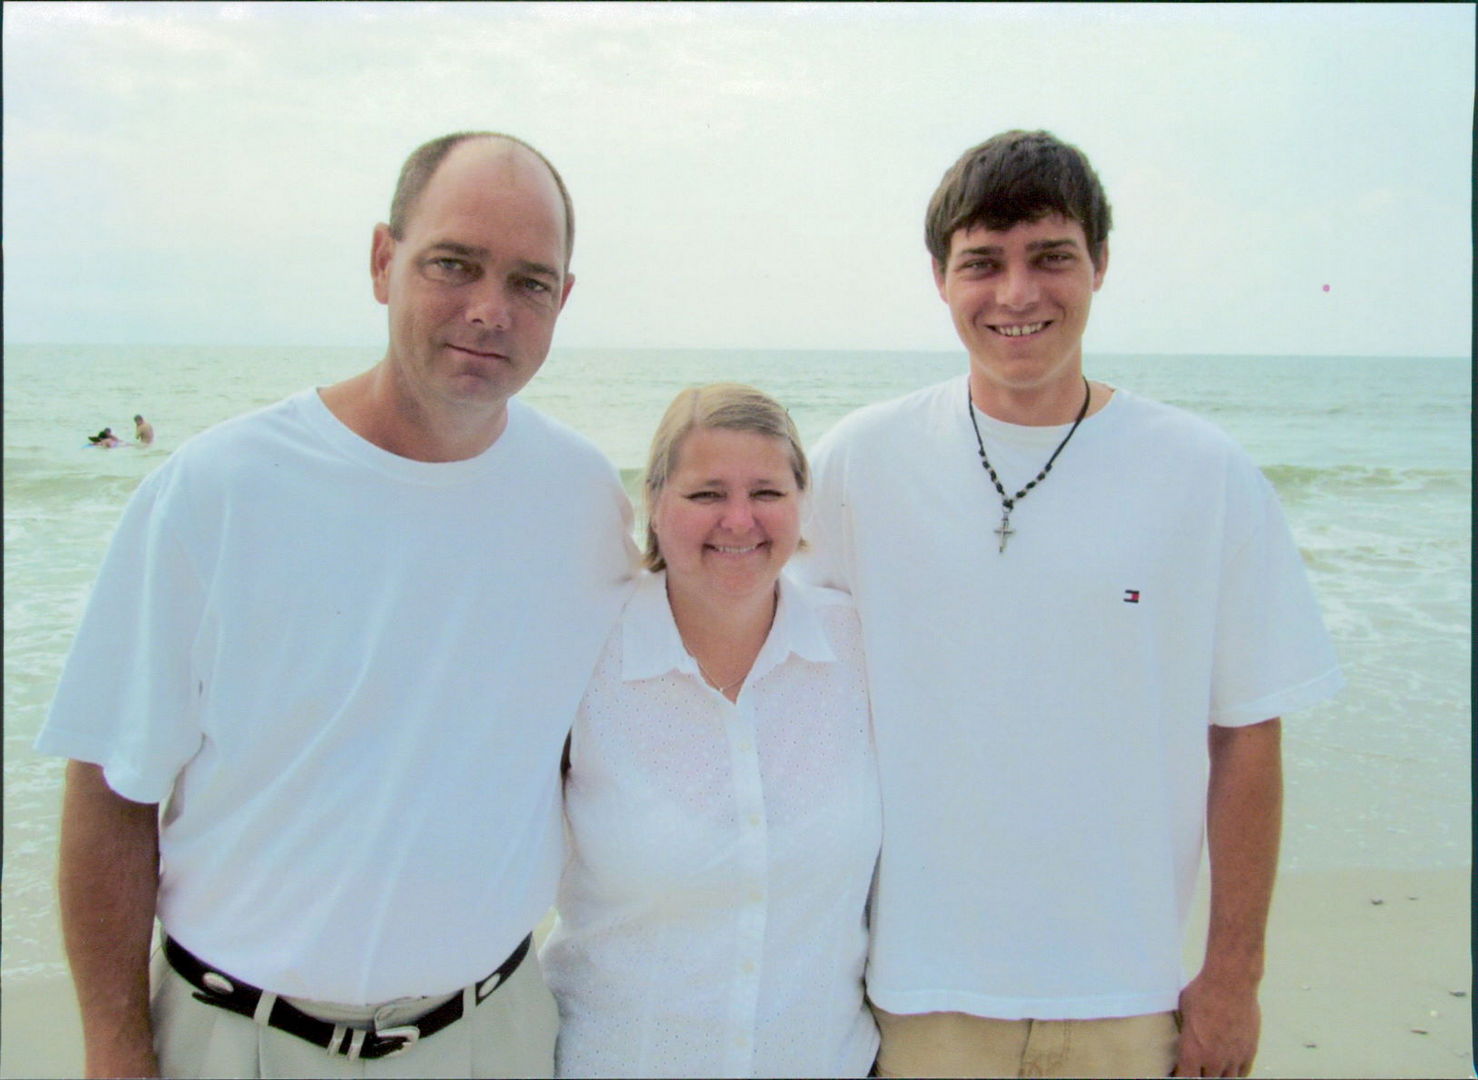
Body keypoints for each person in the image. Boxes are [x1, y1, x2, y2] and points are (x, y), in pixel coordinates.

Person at [37, 131, 636, 1079]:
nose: (490, 309)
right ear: (382, 261)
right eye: (453, 264)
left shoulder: (584, 499)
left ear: (562, 301)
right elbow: (114, 788)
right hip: (238, 1042)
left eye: (528, 282)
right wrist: (115, 1048)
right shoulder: (218, 490)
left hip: (494, 1037)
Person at [798, 130, 1344, 1079]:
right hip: (916, 992)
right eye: (983, 263)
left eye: (1051, 257)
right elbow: (795, 704)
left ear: (1100, 265)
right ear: (939, 279)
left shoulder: (1203, 472)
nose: (1017, 294)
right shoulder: (860, 461)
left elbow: (1248, 734)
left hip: (1126, 994)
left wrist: (1233, 977)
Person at [540, 384, 881, 1078]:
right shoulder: (582, 651)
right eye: (706, 494)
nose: (739, 520)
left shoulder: (859, 646)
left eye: (767, 492)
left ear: (802, 501)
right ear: (654, 502)